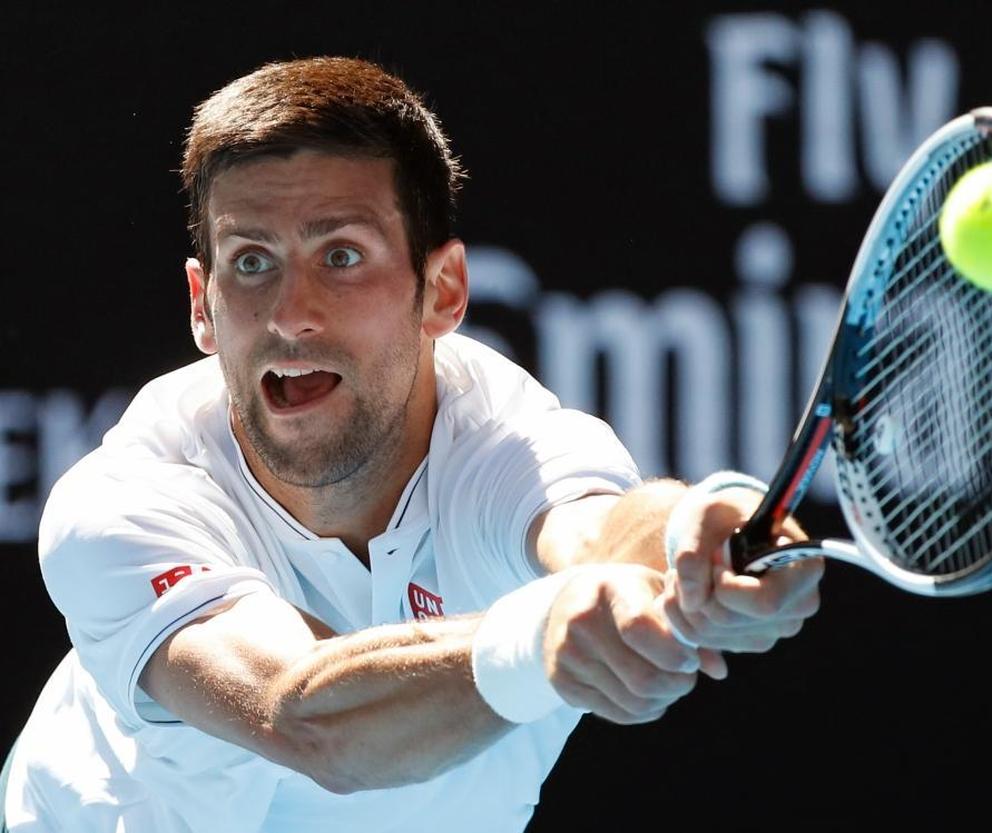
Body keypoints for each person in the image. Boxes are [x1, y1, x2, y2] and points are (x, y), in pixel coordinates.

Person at [1, 56, 823, 833]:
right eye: (251, 261)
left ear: (444, 290)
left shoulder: (503, 440)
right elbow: (307, 715)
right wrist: (535, 639)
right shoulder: (120, 505)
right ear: (202, 305)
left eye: (342, 255)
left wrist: (693, 534)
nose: (291, 315)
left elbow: (603, 532)